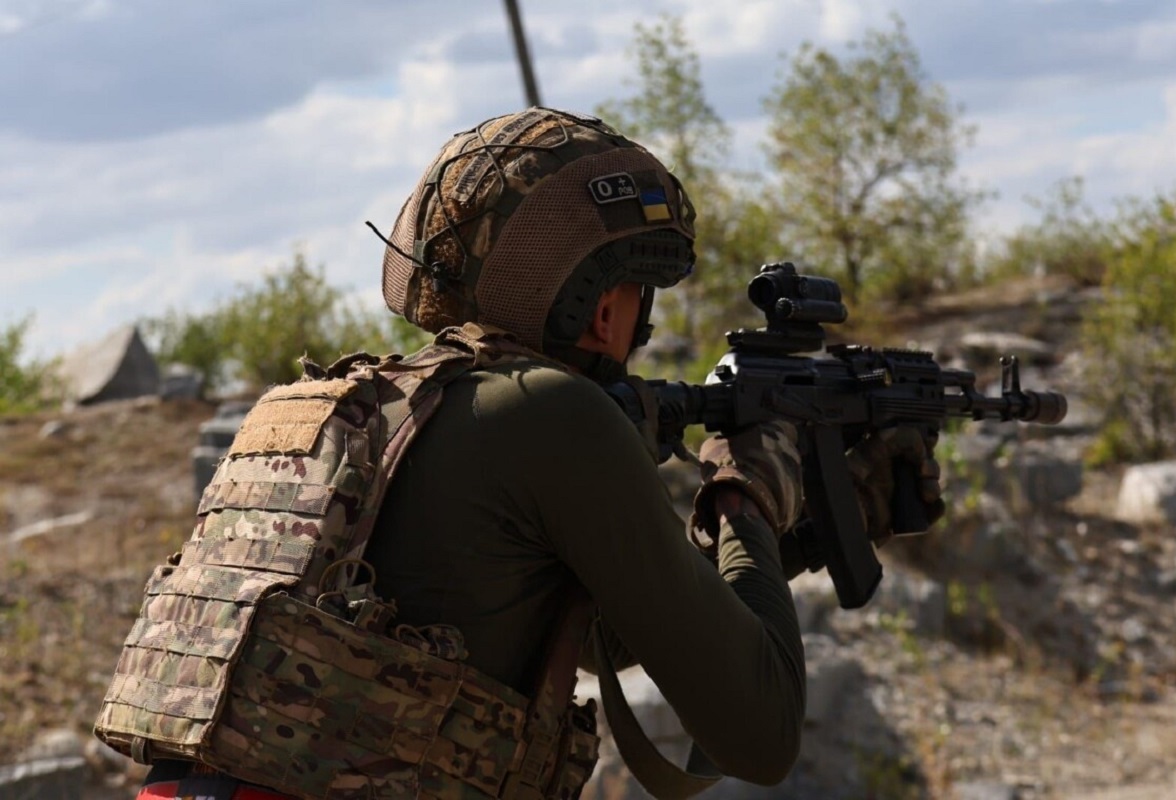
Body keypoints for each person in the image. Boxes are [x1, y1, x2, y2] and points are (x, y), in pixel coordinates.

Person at [113, 106, 943, 800]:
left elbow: (617, 635)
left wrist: (795, 531)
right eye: (640, 297)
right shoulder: (550, 414)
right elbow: (760, 737)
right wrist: (747, 497)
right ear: (603, 306)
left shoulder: (336, 412)